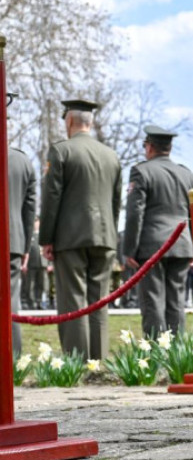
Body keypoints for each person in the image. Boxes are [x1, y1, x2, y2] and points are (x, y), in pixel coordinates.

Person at [39, 99, 122, 360]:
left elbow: (52, 198)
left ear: (69, 121)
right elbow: (116, 202)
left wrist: (46, 239)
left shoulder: (61, 151)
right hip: (105, 236)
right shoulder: (111, 155)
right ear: (91, 122)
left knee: (73, 301)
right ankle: (97, 363)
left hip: (71, 237)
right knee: (99, 302)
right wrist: (111, 234)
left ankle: (77, 362)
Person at [122, 125, 193, 337]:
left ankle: (156, 351)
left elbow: (135, 213)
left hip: (152, 245)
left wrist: (129, 249)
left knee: (152, 301)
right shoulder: (187, 174)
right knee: (176, 301)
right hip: (182, 244)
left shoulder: (141, 171)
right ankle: (177, 354)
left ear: (150, 147)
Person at [8, 144, 36, 355]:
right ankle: (12, 359)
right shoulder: (22, 161)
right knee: (10, 303)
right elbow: (29, 207)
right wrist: (25, 247)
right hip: (12, 241)